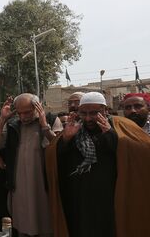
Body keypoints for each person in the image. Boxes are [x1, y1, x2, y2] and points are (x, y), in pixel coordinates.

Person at [46, 92, 150, 237]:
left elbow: (140, 150)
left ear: (105, 110)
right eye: (84, 113)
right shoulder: (73, 127)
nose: (88, 118)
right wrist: (66, 140)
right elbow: (54, 158)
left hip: (110, 196)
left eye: (94, 113)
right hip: (79, 197)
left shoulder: (121, 125)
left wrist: (110, 134)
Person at [0, 94, 61, 236]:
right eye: (19, 113)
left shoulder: (51, 120)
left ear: (38, 107)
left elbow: (59, 147)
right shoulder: (13, 125)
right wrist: (2, 119)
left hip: (42, 184)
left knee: (45, 222)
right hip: (19, 185)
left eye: (27, 112)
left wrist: (44, 126)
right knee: (22, 225)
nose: (23, 117)